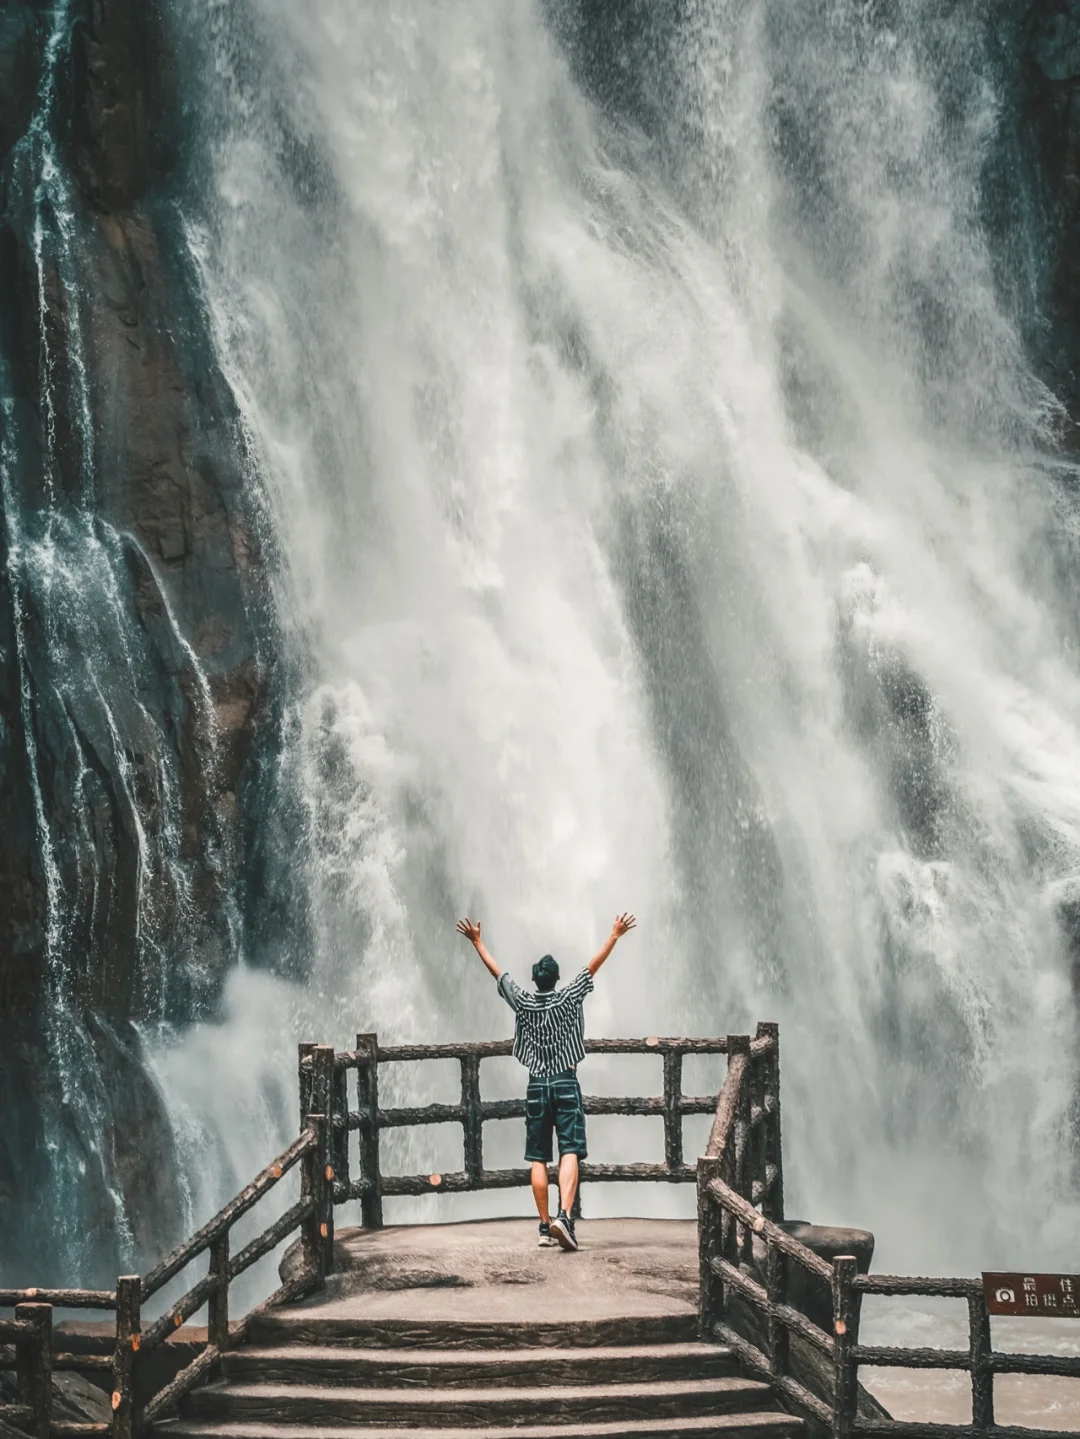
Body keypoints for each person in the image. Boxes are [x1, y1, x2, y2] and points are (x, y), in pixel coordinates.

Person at [455, 911, 637, 1252]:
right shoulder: (568, 998)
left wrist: (478, 942)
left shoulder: (523, 1002)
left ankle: (542, 1226)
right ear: (555, 979)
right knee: (569, 1149)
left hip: (537, 1084)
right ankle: (564, 1218)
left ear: (536, 980)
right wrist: (614, 934)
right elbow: (592, 966)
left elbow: (499, 974)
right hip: (566, 1082)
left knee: (538, 1156)